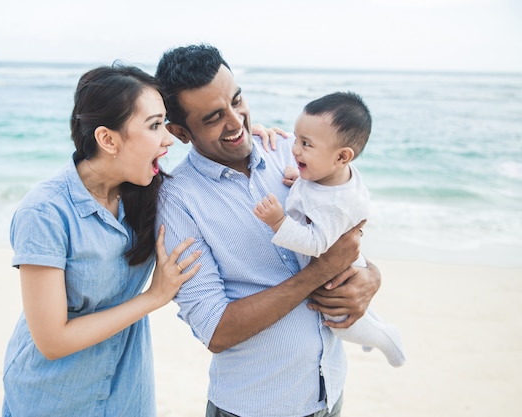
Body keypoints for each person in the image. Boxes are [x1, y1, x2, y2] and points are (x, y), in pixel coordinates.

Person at [155, 44, 381, 417]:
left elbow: (340, 227)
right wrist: (319, 273)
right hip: (254, 406)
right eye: (214, 117)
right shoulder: (176, 204)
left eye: (237, 100)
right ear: (180, 132)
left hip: (329, 391)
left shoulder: (290, 151)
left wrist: (371, 277)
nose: (236, 121)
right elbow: (215, 330)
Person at [2, 64, 202, 417]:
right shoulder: (45, 212)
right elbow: (52, 340)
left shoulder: (151, 194)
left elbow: (220, 184)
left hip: (128, 397)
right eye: (154, 125)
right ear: (108, 139)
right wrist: (153, 297)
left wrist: (258, 143)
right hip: (52, 401)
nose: (167, 139)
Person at [254, 92, 406, 368]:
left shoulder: (335, 205)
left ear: (342, 157)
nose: (295, 149)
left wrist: (278, 221)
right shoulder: (330, 173)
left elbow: (315, 243)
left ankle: (385, 338)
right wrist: (300, 178)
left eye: (306, 144)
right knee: (360, 312)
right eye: (297, 139)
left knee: (340, 320)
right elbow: (316, 186)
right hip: (345, 260)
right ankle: (373, 327)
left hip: (336, 273)